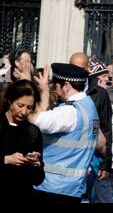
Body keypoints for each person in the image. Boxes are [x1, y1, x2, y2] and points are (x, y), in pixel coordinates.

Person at [33, 62, 101, 203]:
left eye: (56, 87)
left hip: (52, 188)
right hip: (73, 188)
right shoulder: (88, 106)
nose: (56, 92)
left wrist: (42, 91)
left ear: (67, 86)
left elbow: (38, 120)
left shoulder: (69, 112)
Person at [0, 78, 45, 203]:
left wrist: (36, 165)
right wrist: (6, 160)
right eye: (20, 105)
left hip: (23, 196)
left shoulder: (33, 132)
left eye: (29, 107)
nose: (24, 112)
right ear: (9, 100)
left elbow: (38, 179)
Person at [71, 53, 113, 201]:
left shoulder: (100, 94)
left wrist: (105, 163)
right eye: (73, 68)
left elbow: (106, 128)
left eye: (80, 68)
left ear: (88, 68)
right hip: (69, 156)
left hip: (92, 156)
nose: (76, 72)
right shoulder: (62, 90)